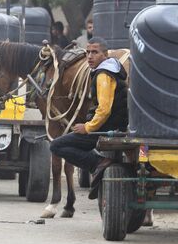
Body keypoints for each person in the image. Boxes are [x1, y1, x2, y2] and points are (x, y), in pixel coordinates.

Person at [49, 37, 128, 199]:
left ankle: (99, 164)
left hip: (105, 129)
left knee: (57, 145)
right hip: (112, 126)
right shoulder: (112, 69)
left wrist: (88, 127)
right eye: (88, 52)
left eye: (95, 52)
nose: (90, 56)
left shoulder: (103, 75)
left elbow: (104, 110)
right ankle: (98, 165)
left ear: (105, 55)